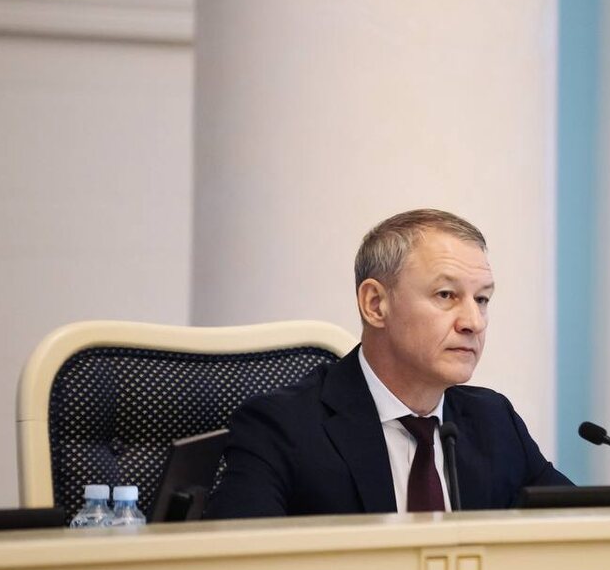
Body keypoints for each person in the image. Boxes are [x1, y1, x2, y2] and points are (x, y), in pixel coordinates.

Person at [206, 209, 570, 518]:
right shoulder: (282, 429)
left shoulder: (494, 422)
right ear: (375, 304)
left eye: (482, 299)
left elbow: (581, 528)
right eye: (446, 295)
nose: (473, 322)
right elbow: (237, 567)